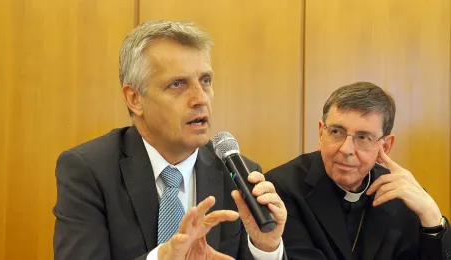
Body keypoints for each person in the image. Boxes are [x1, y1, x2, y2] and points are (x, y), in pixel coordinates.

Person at [53, 20, 287, 260]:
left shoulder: (239, 176)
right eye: (177, 84)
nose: (200, 99)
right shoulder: (89, 171)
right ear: (134, 98)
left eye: (205, 81)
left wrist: (266, 248)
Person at [266, 82, 451, 260]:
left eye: (363, 137)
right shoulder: (283, 187)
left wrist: (432, 219)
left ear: (385, 146)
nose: (346, 149)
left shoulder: (402, 198)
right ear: (322, 133)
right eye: (337, 132)